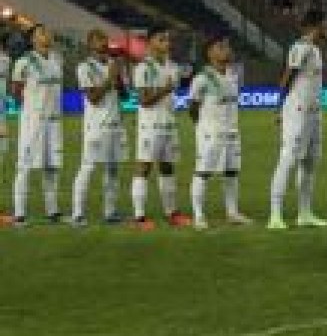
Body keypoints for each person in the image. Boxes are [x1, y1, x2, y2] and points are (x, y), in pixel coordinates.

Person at [270, 15, 327, 231]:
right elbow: (288, 75)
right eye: (325, 24)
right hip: (297, 111)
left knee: (310, 162)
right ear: (315, 26)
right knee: (288, 158)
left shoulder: (315, 49)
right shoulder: (300, 47)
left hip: (314, 112)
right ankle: (275, 214)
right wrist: (279, 107)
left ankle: (305, 213)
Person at [188, 37, 250, 229]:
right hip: (210, 132)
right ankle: (198, 215)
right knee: (203, 172)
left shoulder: (233, 74)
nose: (226, 50)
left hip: (232, 130)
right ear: (210, 53)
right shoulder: (202, 78)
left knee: (231, 172)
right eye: (220, 47)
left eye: (227, 46)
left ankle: (232, 213)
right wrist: (203, 126)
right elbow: (193, 106)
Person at [131, 28, 191, 229]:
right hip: (150, 126)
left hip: (169, 124)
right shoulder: (143, 68)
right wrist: (164, 90)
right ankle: (139, 217)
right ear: (150, 43)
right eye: (161, 39)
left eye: (167, 39)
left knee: (167, 167)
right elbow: (144, 101)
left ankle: (171, 213)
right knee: (144, 167)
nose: (167, 42)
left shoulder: (173, 67)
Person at [72, 30, 130, 227]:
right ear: (90, 44)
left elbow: (125, 97)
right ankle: (78, 213)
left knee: (112, 170)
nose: (105, 43)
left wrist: (119, 77)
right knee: (87, 167)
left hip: (115, 124)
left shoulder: (113, 65)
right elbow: (94, 98)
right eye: (99, 40)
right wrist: (109, 77)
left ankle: (110, 212)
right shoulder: (84, 67)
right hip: (95, 126)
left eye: (105, 39)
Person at [10, 24, 65, 226]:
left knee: (51, 167)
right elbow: (15, 91)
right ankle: (19, 214)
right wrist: (30, 108)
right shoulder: (24, 62)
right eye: (42, 33)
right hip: (33, 122)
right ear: (32, 39)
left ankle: (53, 212)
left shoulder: (57, 59)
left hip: (54, 122)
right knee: (24, 166)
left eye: (47, 31)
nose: (47, 35)